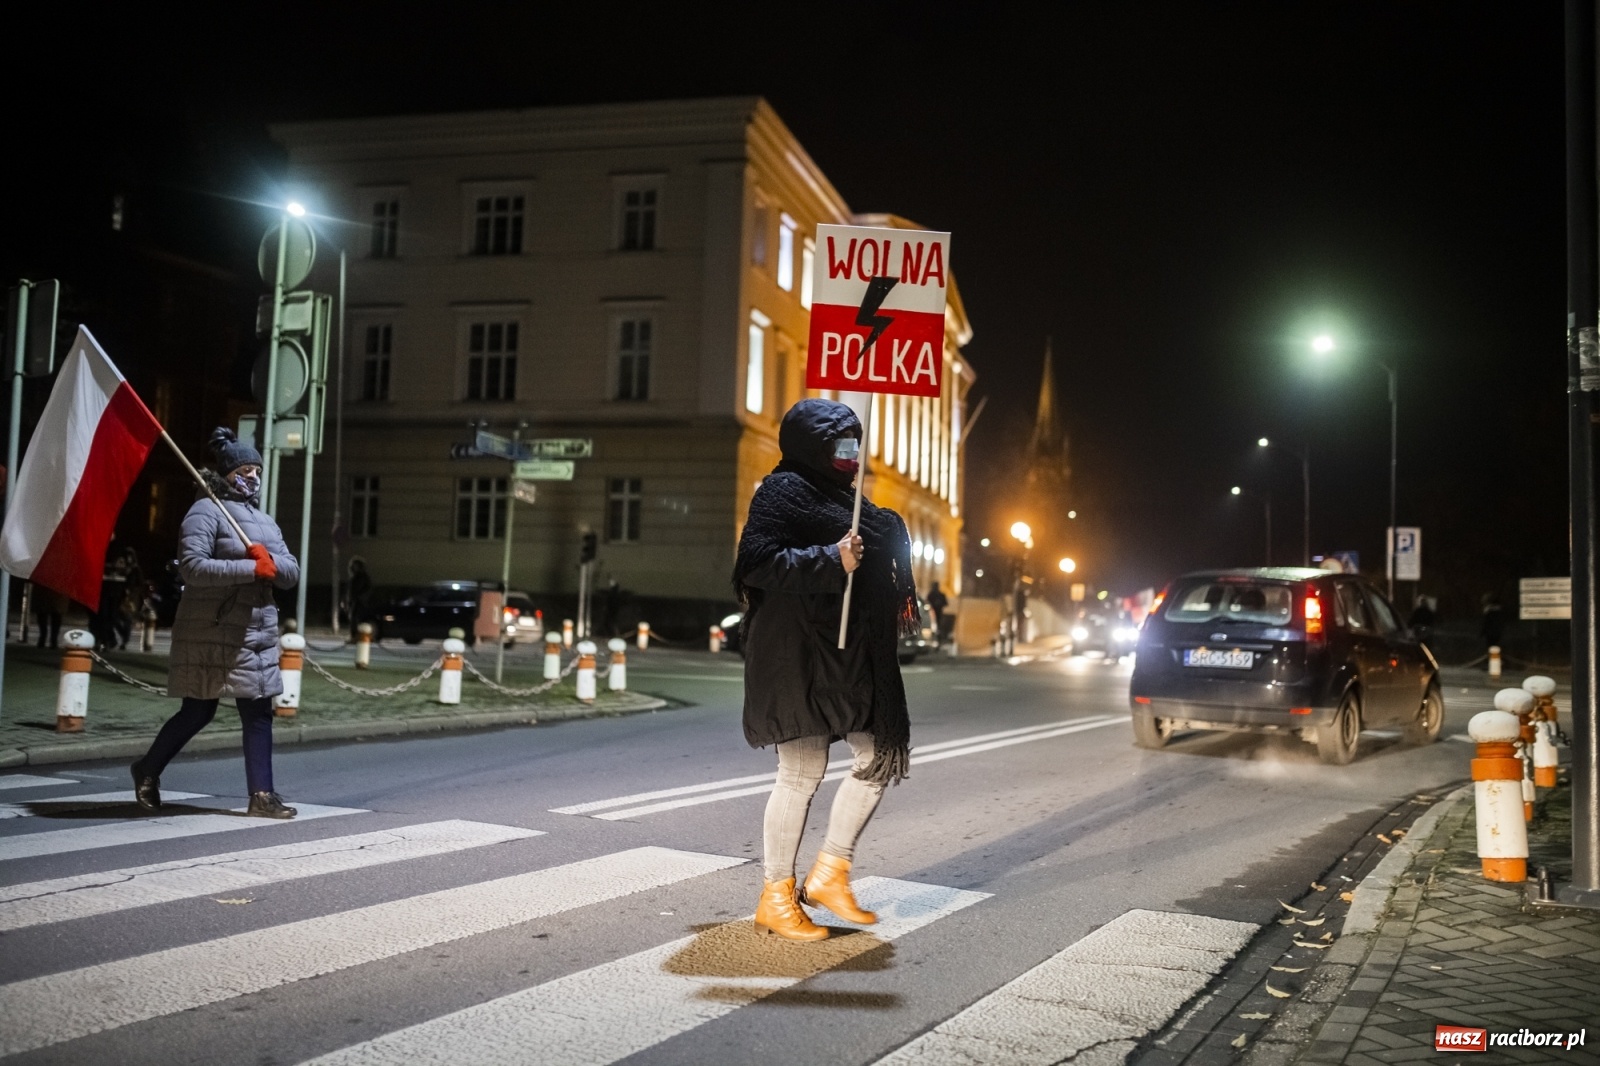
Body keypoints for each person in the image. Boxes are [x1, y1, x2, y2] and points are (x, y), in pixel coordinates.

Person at [733, 399, 918, 941]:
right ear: (812, 447)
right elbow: (756, 563)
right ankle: (775, 896)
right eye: (840, 446)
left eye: (855, 444)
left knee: (876, 754)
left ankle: (831, 873)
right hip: (794, 654)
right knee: (801, 772)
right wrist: (831, 559)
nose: (851, 456)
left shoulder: (851, 501)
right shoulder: (781, 491)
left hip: (847, 654)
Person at [131, 428, 301, 818]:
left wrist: (272, 565)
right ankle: (147, 769)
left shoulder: (264, 520)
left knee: (258, 711)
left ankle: (262, 796)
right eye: (244, 471)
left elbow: (291, 571)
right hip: (212, 628)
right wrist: (250, 569)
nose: (253, 478)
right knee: (198, 711)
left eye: (257, 471)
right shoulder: (205, 511)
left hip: (256, 631)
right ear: (226, 474)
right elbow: (193, 568)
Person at [32, 583, 66, 649]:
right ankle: (52, 640)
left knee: (44, 615)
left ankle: (44, 638)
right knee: (55, 616)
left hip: (44, 591)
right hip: (57, 591)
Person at [347, 557, 372, 641]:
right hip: (355, 601)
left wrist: (360, 597)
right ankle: (354, 636)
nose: (355, 567)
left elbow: (367, 589)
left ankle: (357, 636)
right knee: (353, 619)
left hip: (360, 602)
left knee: (358, 620)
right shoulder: (354, 577)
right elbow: (351, 590)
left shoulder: (363, 577)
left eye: (356, 565)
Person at [1480, 593, 1505, 667]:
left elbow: (1486, 623)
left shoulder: (1489, 611)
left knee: (1491, 647)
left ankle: (1494, 663)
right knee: (1494, 647)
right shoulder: (1499, 611)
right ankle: (1494, 662)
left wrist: (1482, 632)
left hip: (1490, 633)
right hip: (1497, 632)